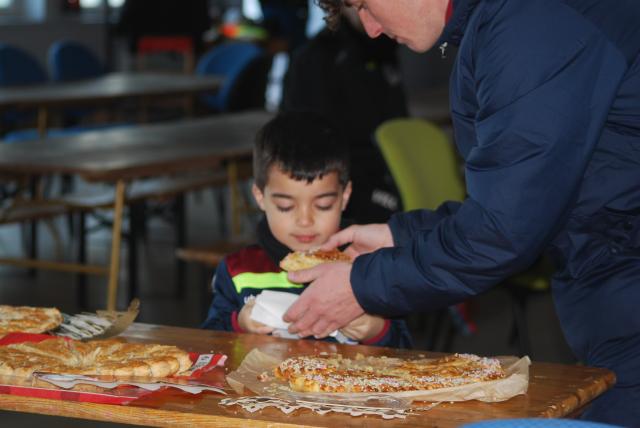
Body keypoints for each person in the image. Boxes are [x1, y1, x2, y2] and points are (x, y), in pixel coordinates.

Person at [282, 1, 640, 425]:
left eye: (365, 6)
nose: (373, 30)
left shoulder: (530, 22)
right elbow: (532, 196)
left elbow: (505, 231)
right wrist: (403, 236)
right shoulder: (503, 19)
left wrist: (362, 285)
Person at [201, 112, 413, 349]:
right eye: (286, 206)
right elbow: (209, 348)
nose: (305, 220)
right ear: (260, 197)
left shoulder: (366, 267)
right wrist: (238, 325)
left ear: (345, 196)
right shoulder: (238, 271)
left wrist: (375, 329)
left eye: (323, 205)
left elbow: (407, 354)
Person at [281, 7, 407, 223]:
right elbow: (305, 144)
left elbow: (399, 120)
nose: (371, 15)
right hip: (344, 181)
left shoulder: (387, 46)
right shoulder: (315, 59)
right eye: (360, 6)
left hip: (389, 169)